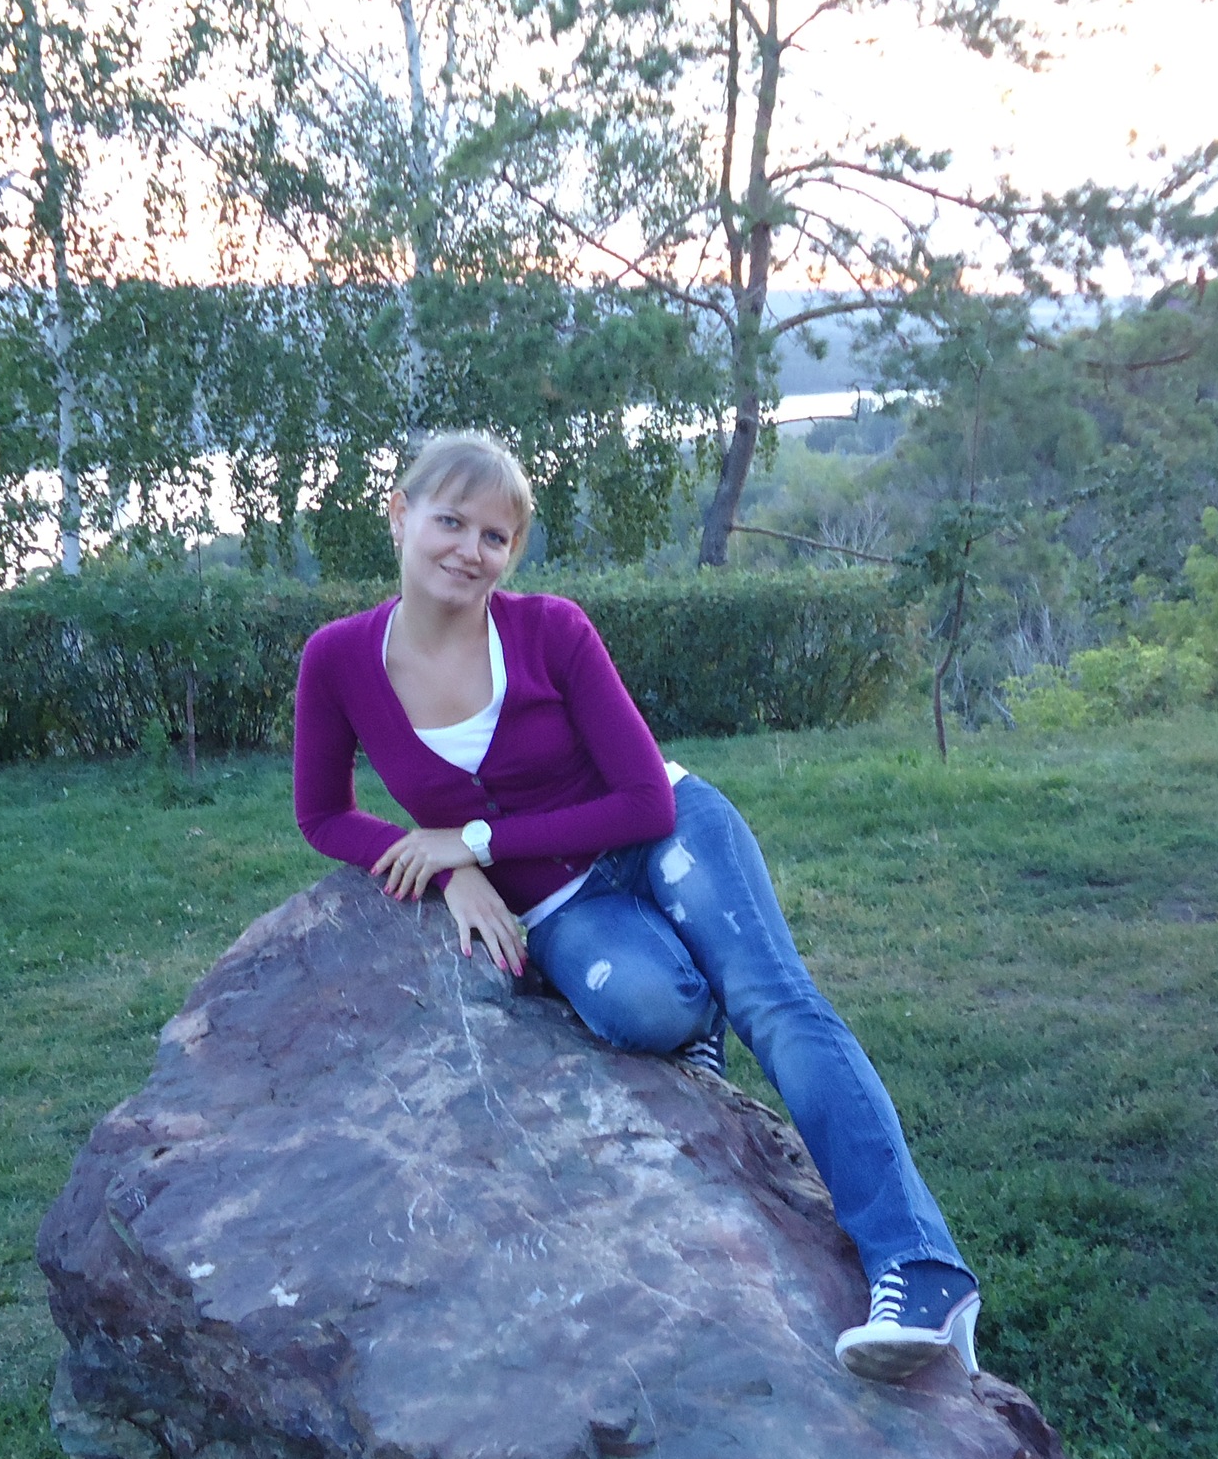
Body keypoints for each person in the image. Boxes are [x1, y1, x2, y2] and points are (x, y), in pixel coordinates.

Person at [292, 431, 981, 1382]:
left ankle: (921, 1268)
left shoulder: (551, 631)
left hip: (668, 834)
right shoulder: (338, 660)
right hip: (562, 899)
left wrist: (474, 842)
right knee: (647, 1009)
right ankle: (699, 1016)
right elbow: (324, 814)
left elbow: (645, 804)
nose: (469, 550)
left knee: (773, 1002)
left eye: (495, 536)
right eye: (450, 521)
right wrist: (449, 873)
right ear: (400, 516)